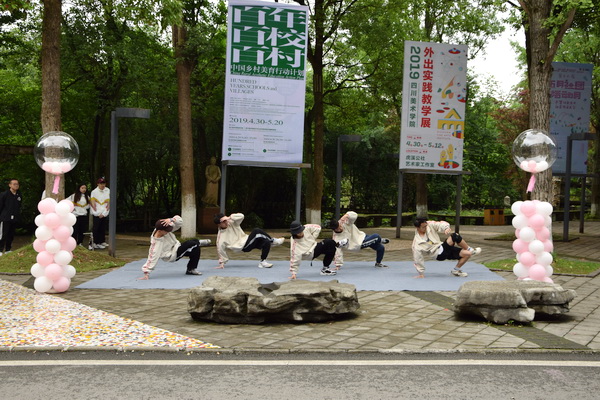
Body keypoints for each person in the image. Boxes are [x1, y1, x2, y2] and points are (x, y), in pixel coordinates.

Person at [139, 216, 211, 280]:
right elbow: (152, 257)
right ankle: (198, 242)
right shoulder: (156, 243)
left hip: (177, 246)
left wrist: (171, 219)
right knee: (192, 244)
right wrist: (146, 272)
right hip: (173, 255)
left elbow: (180, 222)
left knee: (196, 248)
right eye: (167, 231)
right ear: (160, 231)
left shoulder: (163, 229)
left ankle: (191, 269)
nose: (168, 232)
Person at [412, 217, 481, 278]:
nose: (425, 227)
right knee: (455, 236)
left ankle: (455, 271)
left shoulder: (429, 224)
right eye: (423, 227)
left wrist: (446, 228)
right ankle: (470, 249)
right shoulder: (416, 243)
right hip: (438, 254)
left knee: (468, 254)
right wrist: (421, 273)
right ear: (417, 228)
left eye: (426, 226)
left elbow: (440, 224)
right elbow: (418, 258)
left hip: (442, 247)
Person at [214, 213, 284, 269]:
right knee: (256, 231)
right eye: (223, 222)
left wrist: (229, 217)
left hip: (248, 240)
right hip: (243, 247)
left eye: (225, 220)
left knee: (266, 242)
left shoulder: (232, 222)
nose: (226, 222)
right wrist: (222, 262)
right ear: (219, 224)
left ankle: (263, 262)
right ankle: (273, 241)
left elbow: (241, 216)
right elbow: (220, 249)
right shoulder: (221, 237)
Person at [0, 179, 22, 256]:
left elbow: (19, 206)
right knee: (3, 234)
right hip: (5, 218)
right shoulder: (4, 194)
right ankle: (0, 250)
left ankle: (8, 249)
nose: (16, 185)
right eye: (14, 184)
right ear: (10, 185)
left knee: (11, 234)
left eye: (17, 184)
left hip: (14, 218)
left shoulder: (18, 195)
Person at [90, 177, 109, 249]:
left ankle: (101, 241)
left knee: (103, 228)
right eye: (101, 183)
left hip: (104, 213)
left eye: (103, 183)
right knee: (96, 228)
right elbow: (92, 204)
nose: (102, 185)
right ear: (98, 184)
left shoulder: (108, 190)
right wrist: (97, 213)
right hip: (97, 213)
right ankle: (95, 242)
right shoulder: (94, 192)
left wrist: (104, 213)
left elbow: (108, 204)